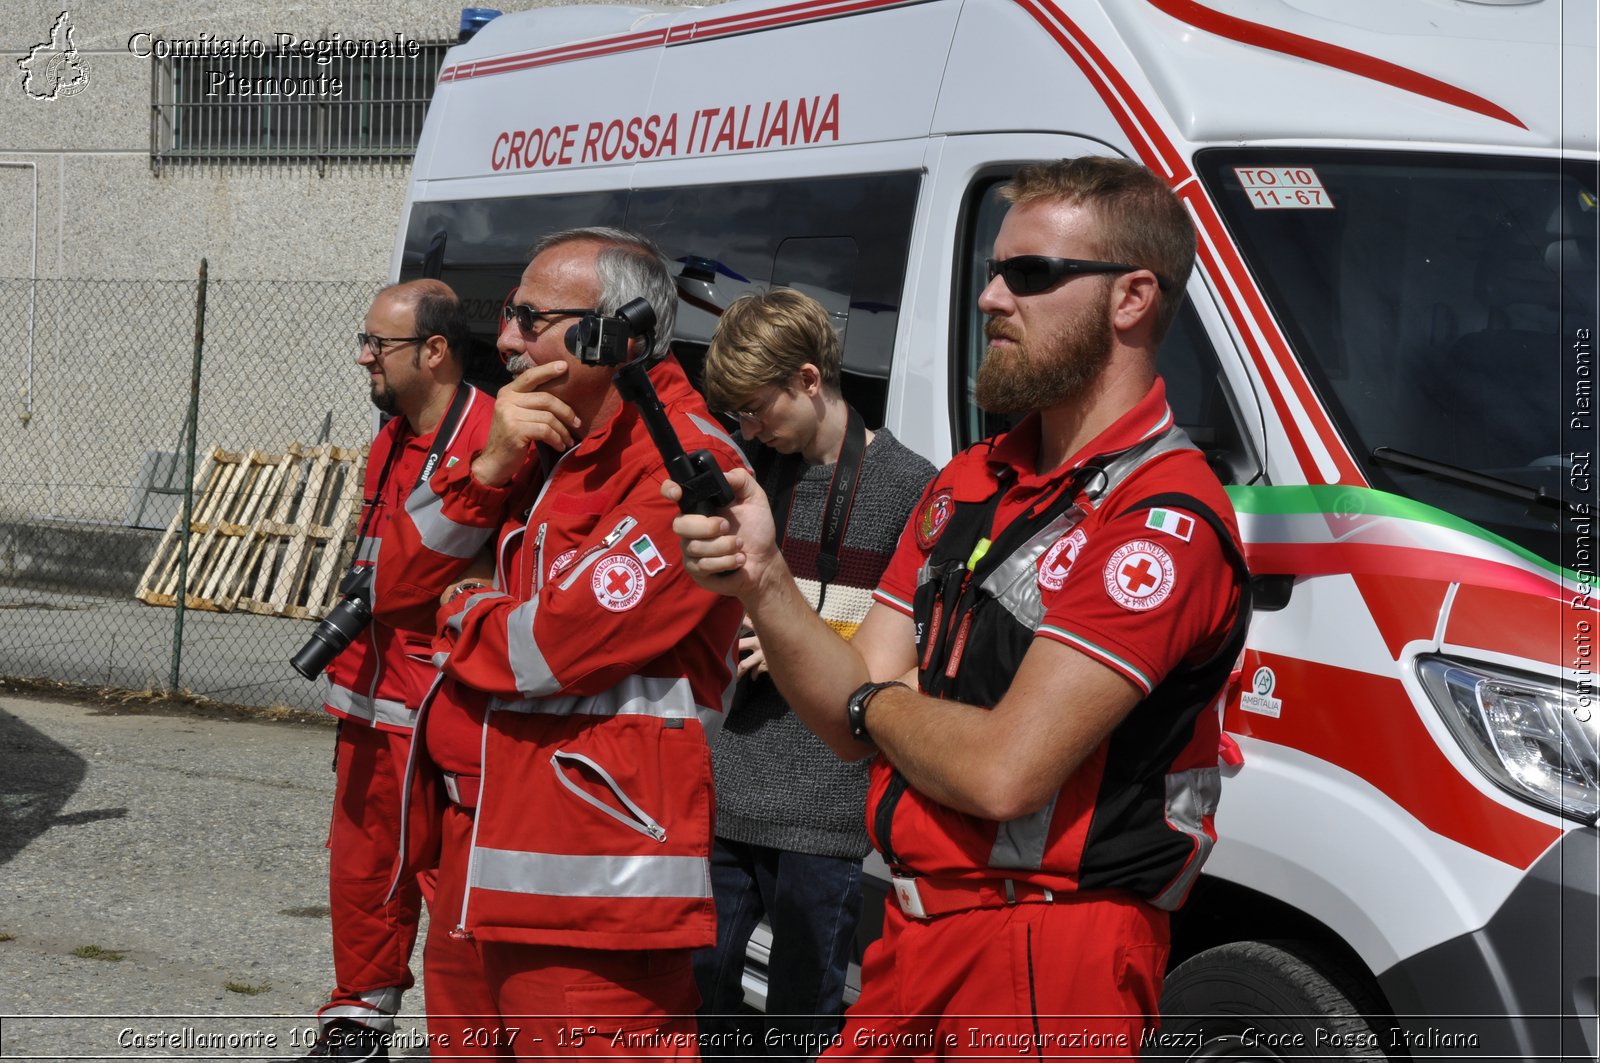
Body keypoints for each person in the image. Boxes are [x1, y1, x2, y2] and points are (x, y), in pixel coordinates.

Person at [668, 157, 1251, 1058]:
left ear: (1133, 298)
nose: (990, 298)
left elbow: (1000, 770)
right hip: (915, 931)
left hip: (1051, 951)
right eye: (993, 268)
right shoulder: (970, 481)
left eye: (1029, 274)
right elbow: (843, 711)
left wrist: (875, 702)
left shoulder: (1162, 517)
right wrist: (765, 578)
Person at [372, 227, 746, 1062]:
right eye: (508, 314)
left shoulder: (687, 466)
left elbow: (551, 645)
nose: (504, 339)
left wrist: (465, 614)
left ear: (619, 335)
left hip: (589, 896)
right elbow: (396, 592)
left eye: (530, 319)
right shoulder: (539, 444)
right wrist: (488, 469)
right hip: (483, 864)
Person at [689, 290, 934, 1059]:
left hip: (828, 804)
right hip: (731, 784)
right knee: (701, 1001)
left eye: (758, 410)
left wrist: (804, 633)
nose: (749, 431)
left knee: (803, 1014)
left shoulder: (911, 484)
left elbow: (926, 647)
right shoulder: (752, 477)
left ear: (806, 378)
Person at [281, 279, 494, 1063]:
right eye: (365, 339)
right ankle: (356, 1025)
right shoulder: (395, 433)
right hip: (371, 697)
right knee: (363, 864)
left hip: (444, 707)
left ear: (434, 351)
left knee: (451, 884)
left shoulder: (493, 437)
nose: (365, 355)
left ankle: (468, 1040)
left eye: (380, 343)